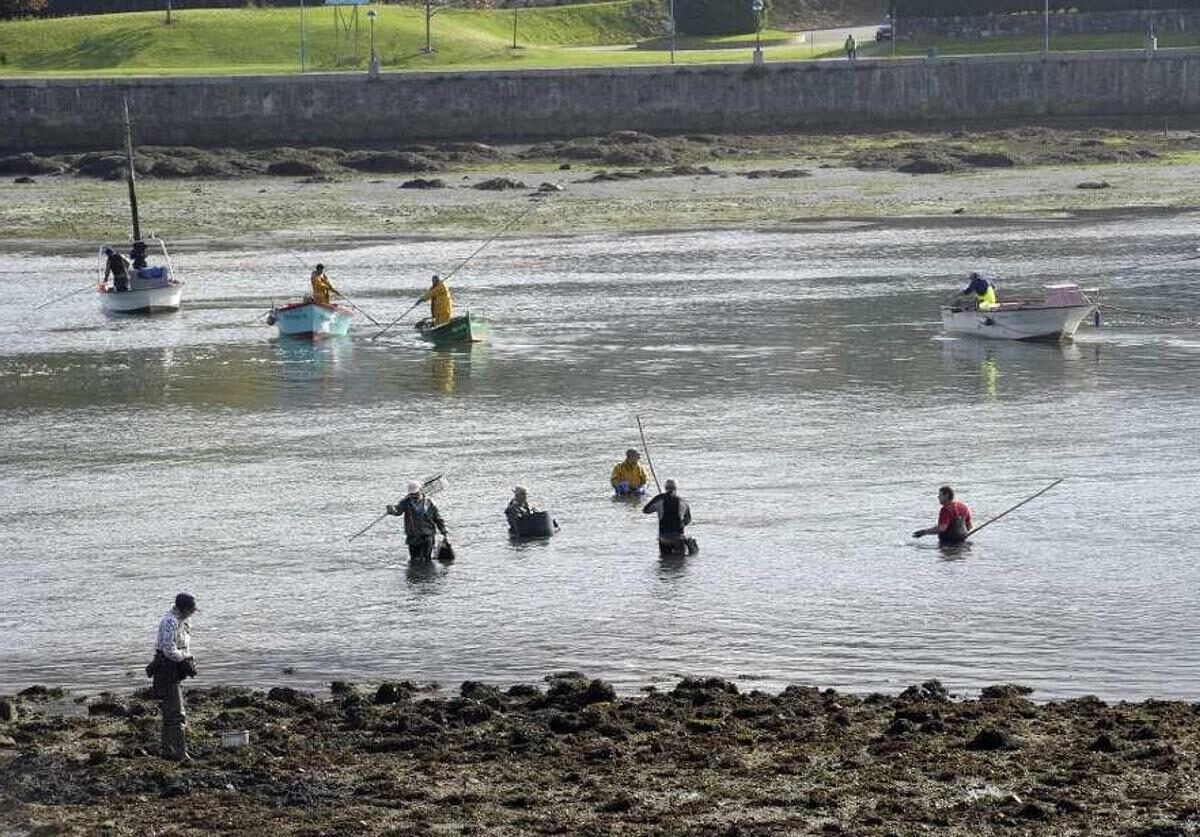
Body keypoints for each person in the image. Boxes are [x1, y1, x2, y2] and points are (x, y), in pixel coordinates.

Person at [150, 592, 198, 762]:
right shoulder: (170, 621)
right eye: (191, 610)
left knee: (170, 713)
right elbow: (168, 649)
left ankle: (167, 749)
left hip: (174, 669)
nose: (192, 613)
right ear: (183, 609)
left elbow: (182, 644)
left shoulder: (183, 621)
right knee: (177, 713)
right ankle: (179, 752)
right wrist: (184, 658)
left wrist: (187, 656)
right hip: (167, 669)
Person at [387, 480, 450, 561]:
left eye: (416, 493)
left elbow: (438, 518)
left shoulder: (430, 502)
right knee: (414, 559)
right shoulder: (405, 502)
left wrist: (444, 531)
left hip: (427, 535)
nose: (414, 495)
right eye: (412, 494)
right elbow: (397, 511)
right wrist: (391, 509)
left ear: (420, 490)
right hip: (412, 537)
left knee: (426, 560)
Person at [643, 479, 696, 555]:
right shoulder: (683, 502)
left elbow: (645, 510)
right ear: (676, 488)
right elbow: (688, 520)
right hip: (678, 538)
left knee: (664, 560)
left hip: (663, 538)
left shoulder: (659, 498)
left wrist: (657, 506)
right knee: (680, 563)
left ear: (665, 488)